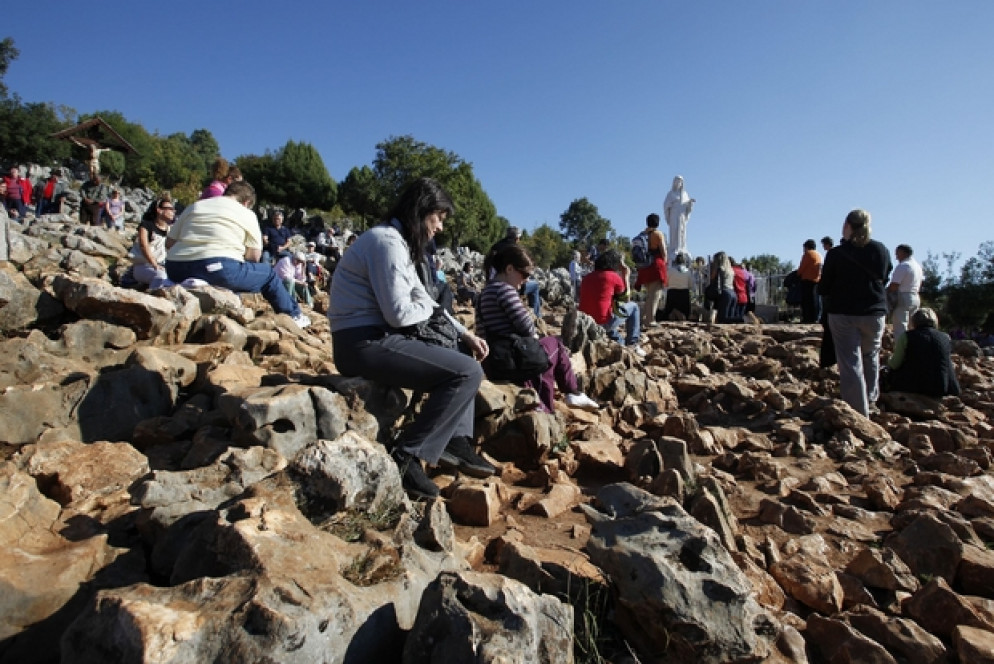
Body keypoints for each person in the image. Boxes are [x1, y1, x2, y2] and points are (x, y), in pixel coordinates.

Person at [328, 177, 493, 499]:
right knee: (466, 372)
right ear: (421, 212)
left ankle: (455, 440)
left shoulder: (399, 244)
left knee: (460, 347)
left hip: (375, 336)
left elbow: (424, 301)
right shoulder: (386, 243)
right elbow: (399, 314)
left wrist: (464, 332)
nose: (440, 227)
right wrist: (427, 310)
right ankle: (406, 455)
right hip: (361, 344)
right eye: (439, 218)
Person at [165, 181, 311, 329]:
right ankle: (294, 315)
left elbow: (169, 243)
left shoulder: (196, 206)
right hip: (218, 268)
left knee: (229, 270)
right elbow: (254, 256)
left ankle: (204, 285)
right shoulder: (247, 213)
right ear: (246, 202)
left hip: (175, 268)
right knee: (268, 274)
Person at [477, 244, 599, 413]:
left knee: (541, 352)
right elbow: (526, 326)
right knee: (553, 346)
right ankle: (567, 395)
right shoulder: (506, 291)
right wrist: (535, 336)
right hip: (514, 360)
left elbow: (481, 332)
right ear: (510, 269)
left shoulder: (484, 293)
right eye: (525, 274)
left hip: (496, 362)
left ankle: (556, 398)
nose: (526, 280)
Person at [818, 209, 893, 417]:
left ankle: (858, 413)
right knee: (871, 356)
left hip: (844, 313)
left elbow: (824, 287)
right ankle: (870, 400)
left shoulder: (836, 254)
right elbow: (885, 276)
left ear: (848, 226)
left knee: (850, 361)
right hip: (874, 312)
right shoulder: (881, 249)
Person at [579, 249, 645, 356]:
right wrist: (626, 275)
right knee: (634, 307)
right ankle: (633, 343)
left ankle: (618, 341)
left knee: (620, 343)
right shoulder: (612, 276)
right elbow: (626, 298)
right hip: (603, 323)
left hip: (586, 323)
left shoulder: (587, 277)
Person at [885, 308, 960, 398]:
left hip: (912, 386)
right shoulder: (945, 337)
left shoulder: (907, 336)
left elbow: (895, 364)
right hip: (941, 387)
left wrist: (887, 360)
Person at [484, 226, 541, 318]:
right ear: (517, 238)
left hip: (491, 283)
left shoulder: (496, 246)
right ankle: (537, 316)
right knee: (535, 286)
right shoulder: (514, 249)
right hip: (508, 283)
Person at [128, 197, 174, 288]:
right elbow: (143, 245)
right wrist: (154, 264)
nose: (173, 211)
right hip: (144, 265)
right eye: (170, 209)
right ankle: (153, 295)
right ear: (159, 210)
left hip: (162, 264)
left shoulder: (170, 230)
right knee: (161, 276)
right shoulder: (146, 225)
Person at [633, 213, 668, 329]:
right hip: (655, 267)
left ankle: (643, 319)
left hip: (644, 267)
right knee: (655, 295)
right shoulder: (658, 234)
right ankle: (650, 320)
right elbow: (663, 253)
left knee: (649, 295)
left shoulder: (642, 235)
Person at [887, 244, 923, 341]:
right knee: (913, 326)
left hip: (903, 296)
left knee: (900, 326)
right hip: (915, 296)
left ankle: (901, 351)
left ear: (903, 252)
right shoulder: (917, 266)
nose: (896, 257)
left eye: (897, 253)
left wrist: (886, 292)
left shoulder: (903, 266)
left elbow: (894, 285)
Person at [663, 175, 695, 258]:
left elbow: (687, 206)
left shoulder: (685, 194)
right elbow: (666, 205)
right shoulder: (670, 194)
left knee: (682, 231)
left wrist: (690, 204)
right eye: (677, 181)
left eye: (680, 182)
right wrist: (672, 204)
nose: (678, 183)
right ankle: (674, 248)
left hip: (682, 215)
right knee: (674, 230)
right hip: (674, 214)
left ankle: (682, 248)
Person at [659, 252, 692, 320]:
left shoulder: (670, 270)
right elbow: (691, 284)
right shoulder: (688, 271)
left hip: (672, 292)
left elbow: (665, 282)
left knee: (669, 312)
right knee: (684, 312)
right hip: (684, 293)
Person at [709, 251, 739, 323]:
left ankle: (744, 318)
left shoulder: (720, 269)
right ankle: (741, 319)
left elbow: (712, 278)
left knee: (722, 318)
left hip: (725, 293)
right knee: (729, 319)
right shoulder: (730, 270)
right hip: (733, 293)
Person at [798, 239, 823, 323]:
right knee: (815, 300)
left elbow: (802, 268)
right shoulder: (819, 255)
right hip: (816, 280)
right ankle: (815, 318)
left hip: (807, 280)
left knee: (807, 301)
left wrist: (798, 274)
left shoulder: (808, 254)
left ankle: (807, 318)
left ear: (806, 247)